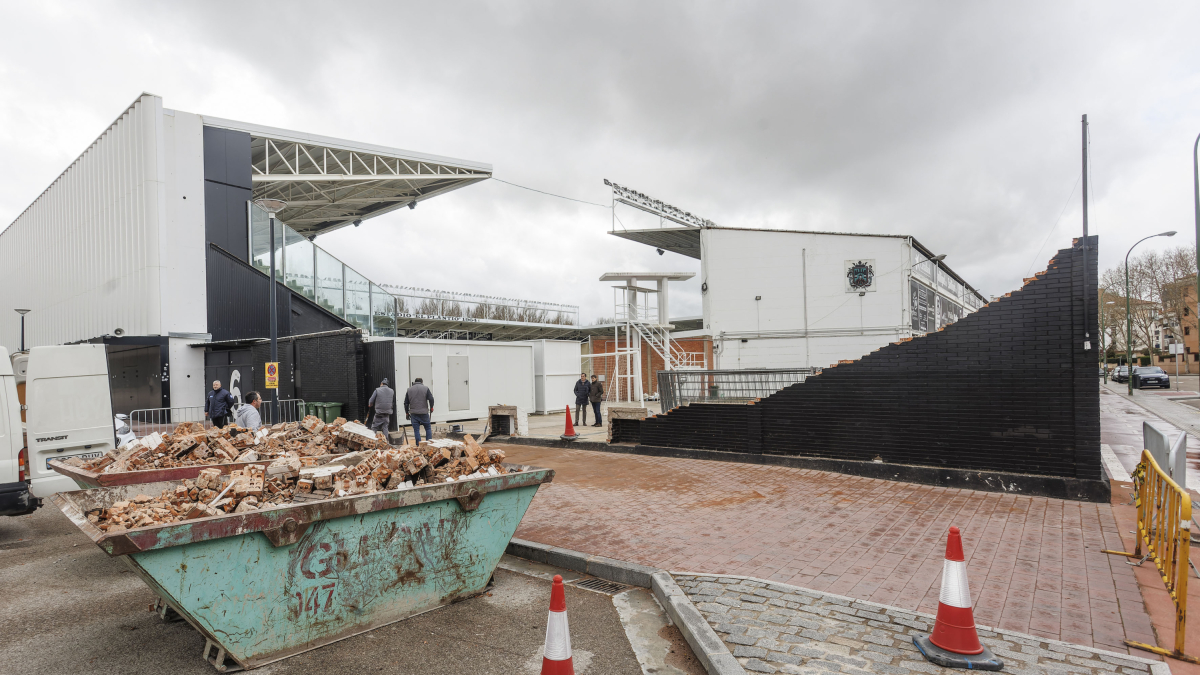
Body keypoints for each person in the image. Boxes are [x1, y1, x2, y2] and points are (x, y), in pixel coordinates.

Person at [404, 377, 435, 444]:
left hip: (414, 413)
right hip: (424, 412)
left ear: (414, 382)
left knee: (416, 430)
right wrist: (431, 407)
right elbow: (431, 399)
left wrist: (406, 412)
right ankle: (429, 444)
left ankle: (418, 445)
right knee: (428, 428)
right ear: (422, 382)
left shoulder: (409, 390)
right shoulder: (425, 388)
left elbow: (406, 403)